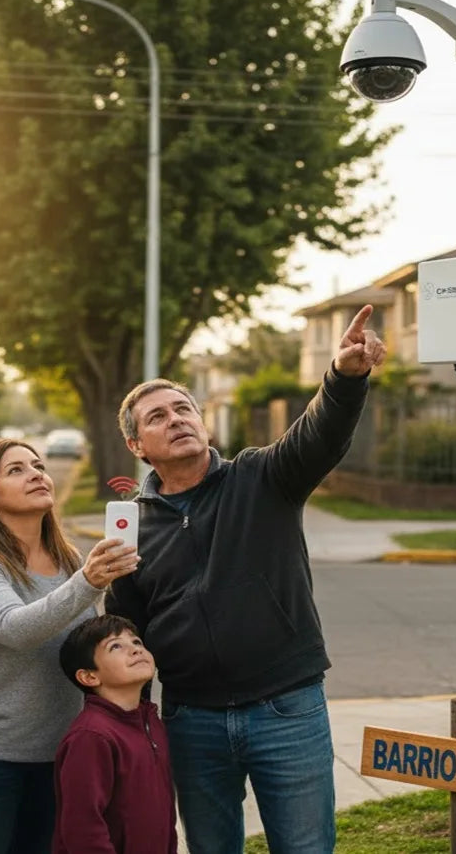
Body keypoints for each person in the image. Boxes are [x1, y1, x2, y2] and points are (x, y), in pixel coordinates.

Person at [107, 304, 387, 854]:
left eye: (183, 408)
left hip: (287, 707)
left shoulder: (262, 476)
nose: (176, 419)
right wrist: (130, 720)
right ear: (137, 447)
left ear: (203, 420)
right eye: (157, 417)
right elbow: (126, 628)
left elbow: (319, 434)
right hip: (191, 718)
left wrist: (345, 377)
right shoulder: (129, 526)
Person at [0, 439, 141, 854]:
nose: (36, 474)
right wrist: (89, 582)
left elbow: (80, 645)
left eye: (38, 466)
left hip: (56, 753)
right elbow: (16, 629)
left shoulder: (68, 560)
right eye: (16, 470)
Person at [53, 614, 177, 854]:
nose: (134, 650)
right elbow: (82, 828)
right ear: (89, 676)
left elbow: (164, 814)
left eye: (136, 642)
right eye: (116, 646)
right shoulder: (91, 736)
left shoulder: (150, 722)